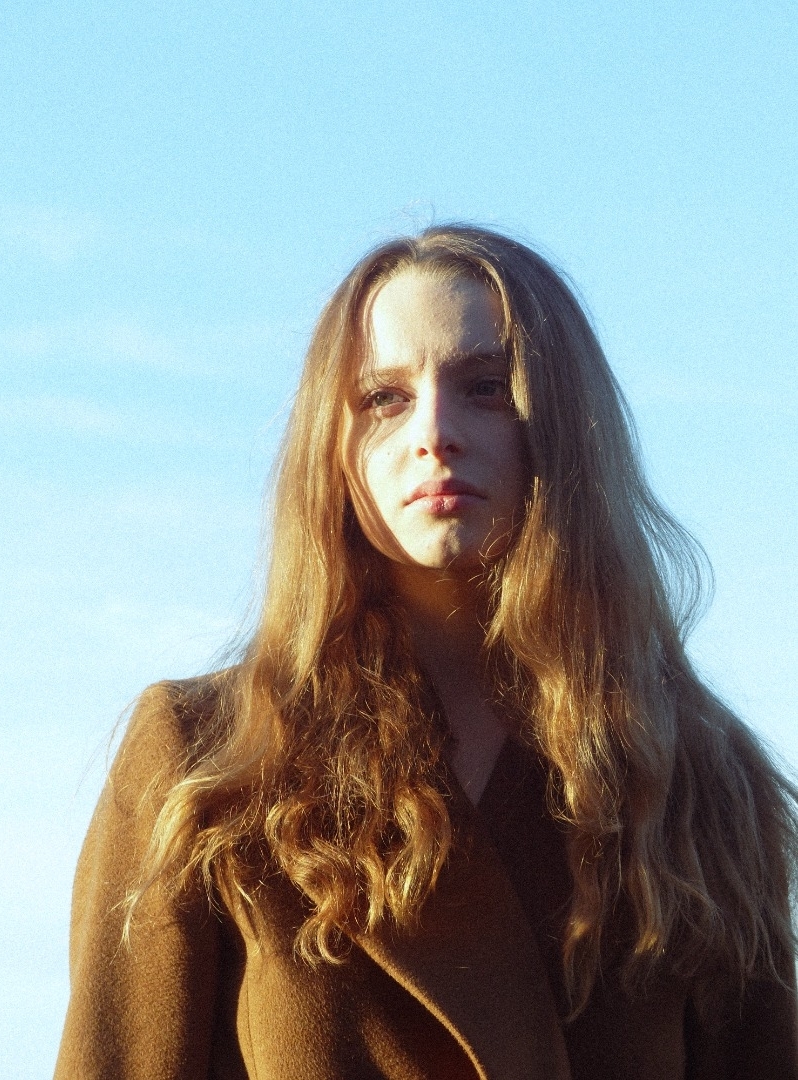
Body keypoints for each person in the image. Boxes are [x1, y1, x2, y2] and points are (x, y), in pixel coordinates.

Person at [55, 226, 797, 1079]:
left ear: (565, 424)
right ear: (332, 446)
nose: (435, 432)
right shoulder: (209, 759)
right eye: (385, 397)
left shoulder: (697, 778)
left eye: (486, 388)